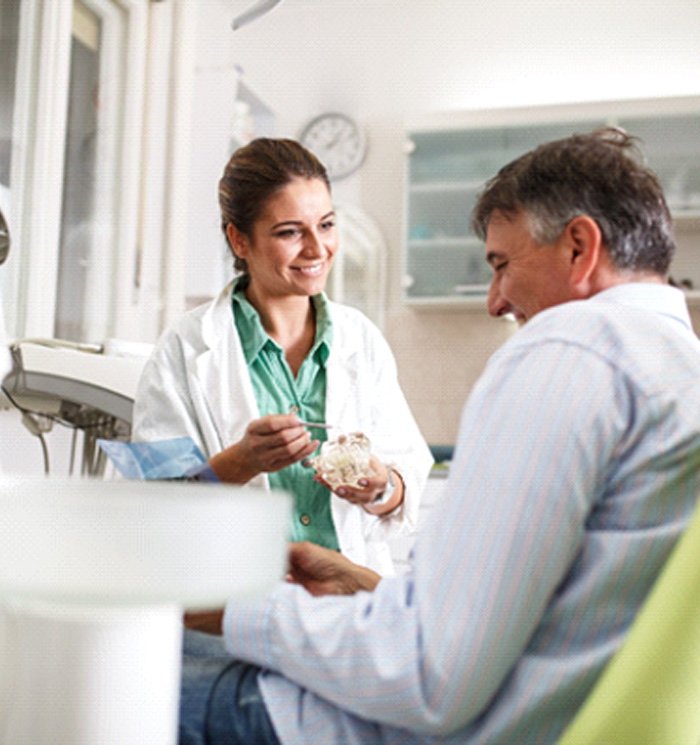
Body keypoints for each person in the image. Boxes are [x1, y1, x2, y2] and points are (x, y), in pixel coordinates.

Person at [178, 127, 700, 745]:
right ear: (241, 242)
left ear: (579, 247)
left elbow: (426, 677)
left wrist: (241, 610)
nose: (494, 300)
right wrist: (370, 587)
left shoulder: (570, 351)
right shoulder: (677, 366)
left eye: (502, 263)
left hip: (373, 723)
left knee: (98, 674)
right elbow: (555, 615)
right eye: (290, 230)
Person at [132, 138, 433, 576]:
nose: (317, 249)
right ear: (239, 240)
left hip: (346, 611)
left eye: (326, 225)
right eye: (290, 232)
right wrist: (241, 462)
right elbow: (151, 507)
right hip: (233, 609)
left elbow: (408, 477)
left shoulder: (360, 340)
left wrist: (380, 485)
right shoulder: (184, 349)